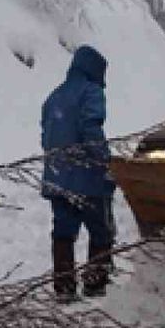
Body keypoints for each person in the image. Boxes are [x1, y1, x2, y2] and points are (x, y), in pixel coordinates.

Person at [40, 45, 116, 301]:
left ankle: (64, 287)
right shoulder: (91, 92)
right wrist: (105, 162)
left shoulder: (53, 97)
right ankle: (95, 284)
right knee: (101, 230)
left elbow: (46, 138)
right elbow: (91, 129)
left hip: (57, 179)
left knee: (63, 232)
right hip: (87, 178)